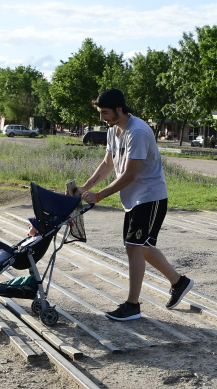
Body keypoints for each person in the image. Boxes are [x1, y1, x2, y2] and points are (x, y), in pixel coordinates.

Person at [78, 88, 193, 321]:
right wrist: (85, 187)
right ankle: (179, 283)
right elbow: (107, 164)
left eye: (105, 112)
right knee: (141, 246)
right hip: (134, 198)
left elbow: (129, 174)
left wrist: (99, 196)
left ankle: (132, 306)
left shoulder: (138, 131)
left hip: (150, 196)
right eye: (100, 113)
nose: (102, 117)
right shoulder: (113, 130)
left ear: (119, 109)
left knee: (133, 246)